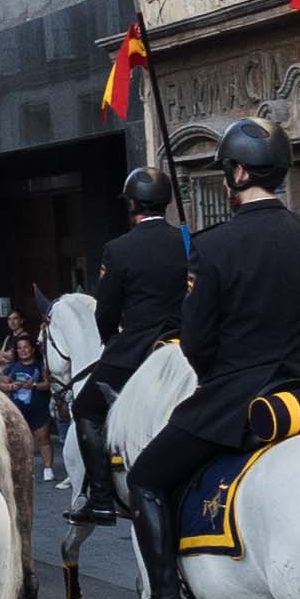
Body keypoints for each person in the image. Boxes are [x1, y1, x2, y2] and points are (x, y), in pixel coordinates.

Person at [124, 125, 300, 599]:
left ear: (241, 172)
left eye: (228, 168)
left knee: (147, 478)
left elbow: (197, 342)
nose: (227, 177)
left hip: (241, 396)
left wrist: (218, 377)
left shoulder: (212, 246)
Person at [80, 165, 193, 510]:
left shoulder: (118, 249)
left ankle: (99, 494)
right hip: (187, 346)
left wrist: (109, 339)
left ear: (132, 204)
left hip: (139, 348)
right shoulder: (188, 242)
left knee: (84, 407)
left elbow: (106, 310)